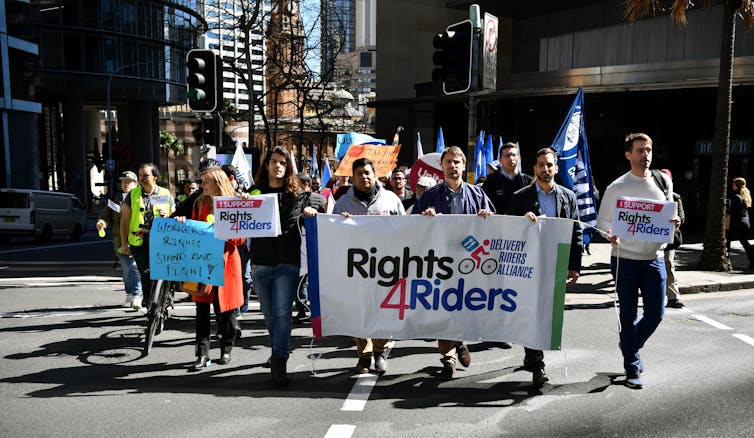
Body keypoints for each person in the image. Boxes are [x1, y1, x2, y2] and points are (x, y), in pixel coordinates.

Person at [595, 133, 680, 390]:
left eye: (649, 150)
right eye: (641, 150)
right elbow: (602, 223)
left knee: (656, 314)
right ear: (628, 155)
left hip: (654, 259)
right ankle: (632, 366)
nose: (646, 155)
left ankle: (630, 344)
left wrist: (674, 222)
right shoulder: (616, 187)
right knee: (628, 314)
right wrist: (609, 235)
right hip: (626, 261)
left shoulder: (663, 181)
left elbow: (669, 213)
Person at [412, 146, 495, 379]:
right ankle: (447, 357)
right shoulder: (430, 195)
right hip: (441, 262)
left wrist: (488, 218)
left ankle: (459, 341)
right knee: (444, 307)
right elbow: (411, 225)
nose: (452, 165)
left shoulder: (477, 194)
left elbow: (496, 224)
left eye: (457, 161)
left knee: (464, 306)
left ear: (463, 165)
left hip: (470, 261)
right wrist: (423, 218)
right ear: (442, 166)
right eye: (448, 161)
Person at [508, 147, 582, 387]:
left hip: (556, 263)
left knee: (548, 314)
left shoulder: (569, 197)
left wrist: (574, 265)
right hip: (528, 265)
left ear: (556, 168)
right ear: (535, 169)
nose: (545, 169)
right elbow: (506, 231)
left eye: (549, 165)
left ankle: (532, 356)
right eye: (541, 165)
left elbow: (576, 232)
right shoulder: (520, 197)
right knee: (532, 312)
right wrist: (522, 224)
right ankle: (537, 363)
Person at [249, 146, 319, 386]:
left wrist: (311, 211)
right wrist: (243, 202)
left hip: (287, 262)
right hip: (261, 262)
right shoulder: (254, 193)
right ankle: (277, 349)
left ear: (288, 167)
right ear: (266, 166)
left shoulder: (298, 194)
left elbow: (313, 211)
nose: (277, 166)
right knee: (269, 315)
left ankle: (280, 359)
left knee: (282, 314)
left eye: (282, 162)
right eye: (273, 162)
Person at [333, 158, 406, 374]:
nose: (364, 177)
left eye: (367, 173)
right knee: (358, 312)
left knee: (383, 311)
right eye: (359, 174)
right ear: (352, 178)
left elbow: (406, 230)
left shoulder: (391, 200)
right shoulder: (342, 204)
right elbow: (333, 236)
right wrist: (340, 224)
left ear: (375, 175)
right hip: (356, 269)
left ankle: (380, 351)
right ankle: (363, 354)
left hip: (386, 267)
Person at [175, 167, 245, 371]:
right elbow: (194, 230)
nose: (202, 185)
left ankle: (226, 349)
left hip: (226, 264)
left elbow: (240, 239)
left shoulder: (232, 205)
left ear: (218, 183)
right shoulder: (199, 203)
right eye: (203, 181)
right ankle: (202, 355)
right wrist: (182, 221)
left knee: (227, 312)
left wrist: (223, 234)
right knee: (202, 311)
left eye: (207, 181)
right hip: (203, 263)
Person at [119, 163, 174, 308]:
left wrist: (167, 215)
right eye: (140, 175)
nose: (142, 178)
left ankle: (163, 299)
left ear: (155, 177)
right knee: (146, 273)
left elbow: (174, 216)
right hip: (139, 241)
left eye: (146, 175)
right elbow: (124, 222)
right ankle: (151, 305)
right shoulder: (133, 195)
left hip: (161, 241)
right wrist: (124, 244)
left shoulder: (165, 194)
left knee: (161, 273)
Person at [96, 171, 142, 309]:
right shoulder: (116, 199)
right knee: (127, 268)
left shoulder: (140, 197)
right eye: (123, 181)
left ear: (136, 183)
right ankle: (129, 294)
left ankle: (137, 295)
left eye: (129, 181)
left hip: (137, 238)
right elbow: (106, 215)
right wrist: (102, 223)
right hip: (119, 241)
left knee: (134, 266)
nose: (125, 183)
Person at [293, 173, 327, 323]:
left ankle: (308, 310)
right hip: (300, 243)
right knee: (301, 279)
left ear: (306, 185)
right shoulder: (294, 199)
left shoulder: (319, 200)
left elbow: (327, 217)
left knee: (309, 280)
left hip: (313, 243)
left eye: (297, 184)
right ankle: (305, 310)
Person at [482, 142, 533, 214]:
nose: (511, 158)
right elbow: (484, 205)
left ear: (518, 158)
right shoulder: (490, 181)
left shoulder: (528, 181)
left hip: (522, 224)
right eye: (507, 156)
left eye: (514, 155)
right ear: (500, 160)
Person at [659, 169, 685, 308]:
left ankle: (673, 297)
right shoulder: (651, 194)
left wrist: (679, 220)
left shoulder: (675, 197)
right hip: (652, 239)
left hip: (668, 238)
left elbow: (682, 215)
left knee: (669, 265)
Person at [726, 177, 754, 270]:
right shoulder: (745, 195)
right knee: (744, 241)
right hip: (744, 223)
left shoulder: (736, 196)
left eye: (733, 184)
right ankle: (752, 260)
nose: (732, 186)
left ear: (736, 185)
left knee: (727, 240)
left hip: (736, 223)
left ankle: (726, 260)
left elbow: (733, 211)